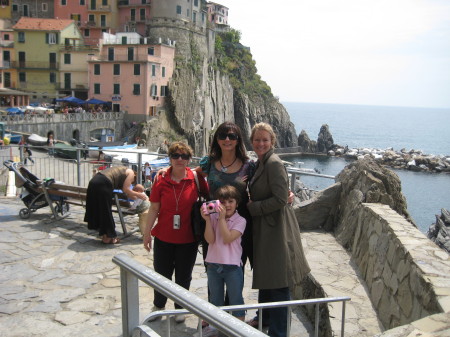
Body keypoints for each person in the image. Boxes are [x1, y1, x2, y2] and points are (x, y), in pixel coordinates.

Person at [246, 122, 311, 337]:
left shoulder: (273, 163)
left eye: (265, 139)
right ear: (252, 142)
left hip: (276, 229)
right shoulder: (261, 162)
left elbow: (282, 199)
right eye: (257, 139)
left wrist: (254, 208)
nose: (261, 143)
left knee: (278, 282)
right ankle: (264, 319)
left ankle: (278, 332)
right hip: (267, 227)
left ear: (272, 141)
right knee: (268, 277)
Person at [143, 141, 208, 323]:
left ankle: (180, 308)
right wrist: (147, 233)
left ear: (189, 159)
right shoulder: (160, 179)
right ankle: (158, 305)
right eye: (176, 156)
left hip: (188, 238)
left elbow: (212, 189)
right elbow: (154, 208)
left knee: (183, 276)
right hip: (163, 236)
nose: (180, 159)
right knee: (161, 274)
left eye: (184, 156)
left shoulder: (196, 178)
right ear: (170, 158)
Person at [199, 185, 247, 337]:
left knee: (236, 300)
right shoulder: (213, 217)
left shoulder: (241, 220)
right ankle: (214, 328)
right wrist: (207, 220)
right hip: (213, 265)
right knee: (215, 300)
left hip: (232, 267)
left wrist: (220, 219)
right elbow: (210, 240)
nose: (227, 205)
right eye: (223, 202)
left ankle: (238, 330)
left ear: (237, 203)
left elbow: (227, 238)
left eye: (231, 201)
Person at [84, 166, 148, 244]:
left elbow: (127, 191)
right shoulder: (131, 173)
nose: (131, 183)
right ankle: (108, 237)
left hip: (94, 181)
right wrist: (139, 195)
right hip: (104, 183)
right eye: (132, 182)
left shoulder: (121, 172)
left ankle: (104, 234)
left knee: (99, 210)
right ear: (135, 177)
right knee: (106, 212)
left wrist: (135, 195)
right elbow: (126, 189)